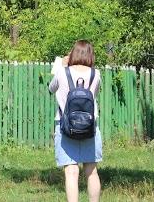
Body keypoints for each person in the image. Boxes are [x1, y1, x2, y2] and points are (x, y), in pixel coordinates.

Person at [49, 40, 102, 202]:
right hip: (89, 126)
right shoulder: (96, 74)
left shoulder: (62, 72)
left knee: (71, 172)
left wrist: (60, 66)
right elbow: (94, 95)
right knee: (91, 171)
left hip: (65, 126)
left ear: (72, 53)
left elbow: (51, 89)